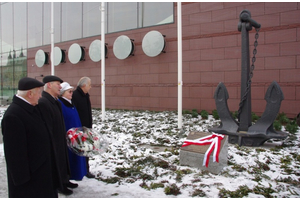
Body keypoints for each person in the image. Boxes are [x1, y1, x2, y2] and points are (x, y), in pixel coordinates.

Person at [1, 77, 60, 197]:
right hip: (31, 183)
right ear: (30, 93)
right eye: (39, 92)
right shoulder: (13, 116)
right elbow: (15, 156)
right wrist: (24, 186)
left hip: (43, 174)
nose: (40, 96)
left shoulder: (33, 107)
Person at [38, 75, 77, 195]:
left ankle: (65, 180)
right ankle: (60, 184)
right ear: (49, 85)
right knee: (57, 162)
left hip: (61, 137)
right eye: (57, 84)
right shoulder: (44, 101)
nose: (60, 86)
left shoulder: (55, 100)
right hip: (54, 140)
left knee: (63, 160)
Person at [58, 82, 87, 180]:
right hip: (69, 136)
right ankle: (66, 179)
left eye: (72, 91)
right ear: (62, 93)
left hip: (76, 135)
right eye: (69, 91)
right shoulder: (61, 104)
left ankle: (72, 177)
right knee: (69, 158)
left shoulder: (70, 103)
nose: (71, 93)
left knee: (76, 156)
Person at [72, 77, 95, 178]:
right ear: (84, 85)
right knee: (80, 149)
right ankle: (80, 170)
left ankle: (86, 169)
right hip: (79, 127)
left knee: (86, 149)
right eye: (89, 85)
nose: (90, 87)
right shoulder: (75, 95)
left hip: (87, 127)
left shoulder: (85, 95)